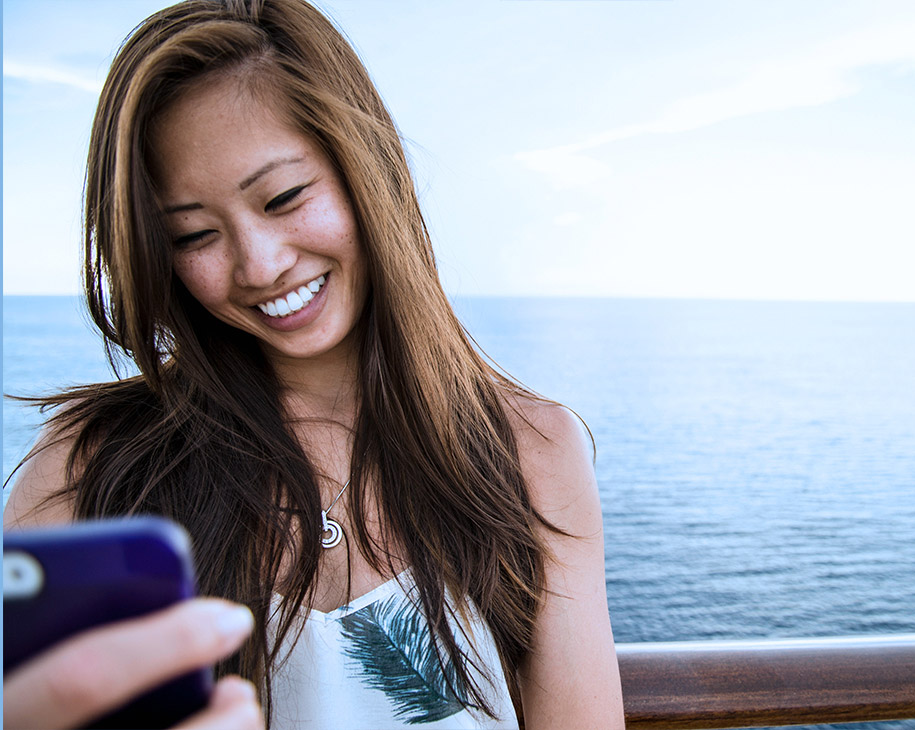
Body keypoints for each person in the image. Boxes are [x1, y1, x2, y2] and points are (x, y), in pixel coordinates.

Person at [2, 0, 626, 728]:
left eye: (284, 197)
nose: (259, 265)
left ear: (368, 172)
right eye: (194, 235)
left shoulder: (534, 452)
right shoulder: (85, 472)